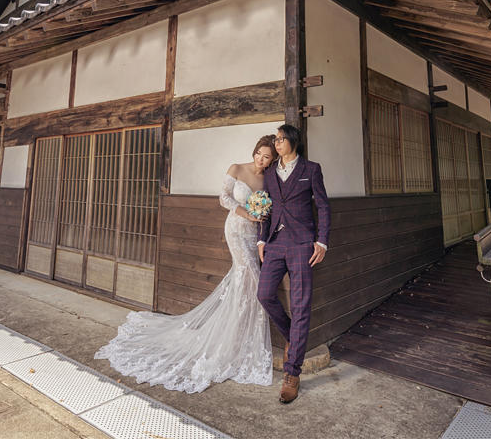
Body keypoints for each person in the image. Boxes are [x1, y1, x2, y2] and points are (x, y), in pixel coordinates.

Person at [94, 135, 277, 393]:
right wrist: (246, 212)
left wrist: (262, 214)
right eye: (259, 152)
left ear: (272, 160)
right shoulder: (236, 168)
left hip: (254, 233)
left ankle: (237, 334)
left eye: (266, 156)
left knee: (245, 279)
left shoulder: (267, 180)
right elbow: (224, 198)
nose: (260, 158)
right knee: (249, 276)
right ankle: (232, 334)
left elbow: (270, 207)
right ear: (255, 150)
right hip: (236, 228)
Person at [256, 123, 330, 404]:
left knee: (300, 304)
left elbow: (322, 205)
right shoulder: (271, 172)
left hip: (302, 244)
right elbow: (268, 207)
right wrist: (262, 240)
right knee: (264, 294)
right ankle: (293, 336)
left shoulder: (311, 169)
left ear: (293, 142)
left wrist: (321, 241)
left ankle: (292, 373)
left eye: (281, 139)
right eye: (275, 139)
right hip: (274, 243)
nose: (276, 143)